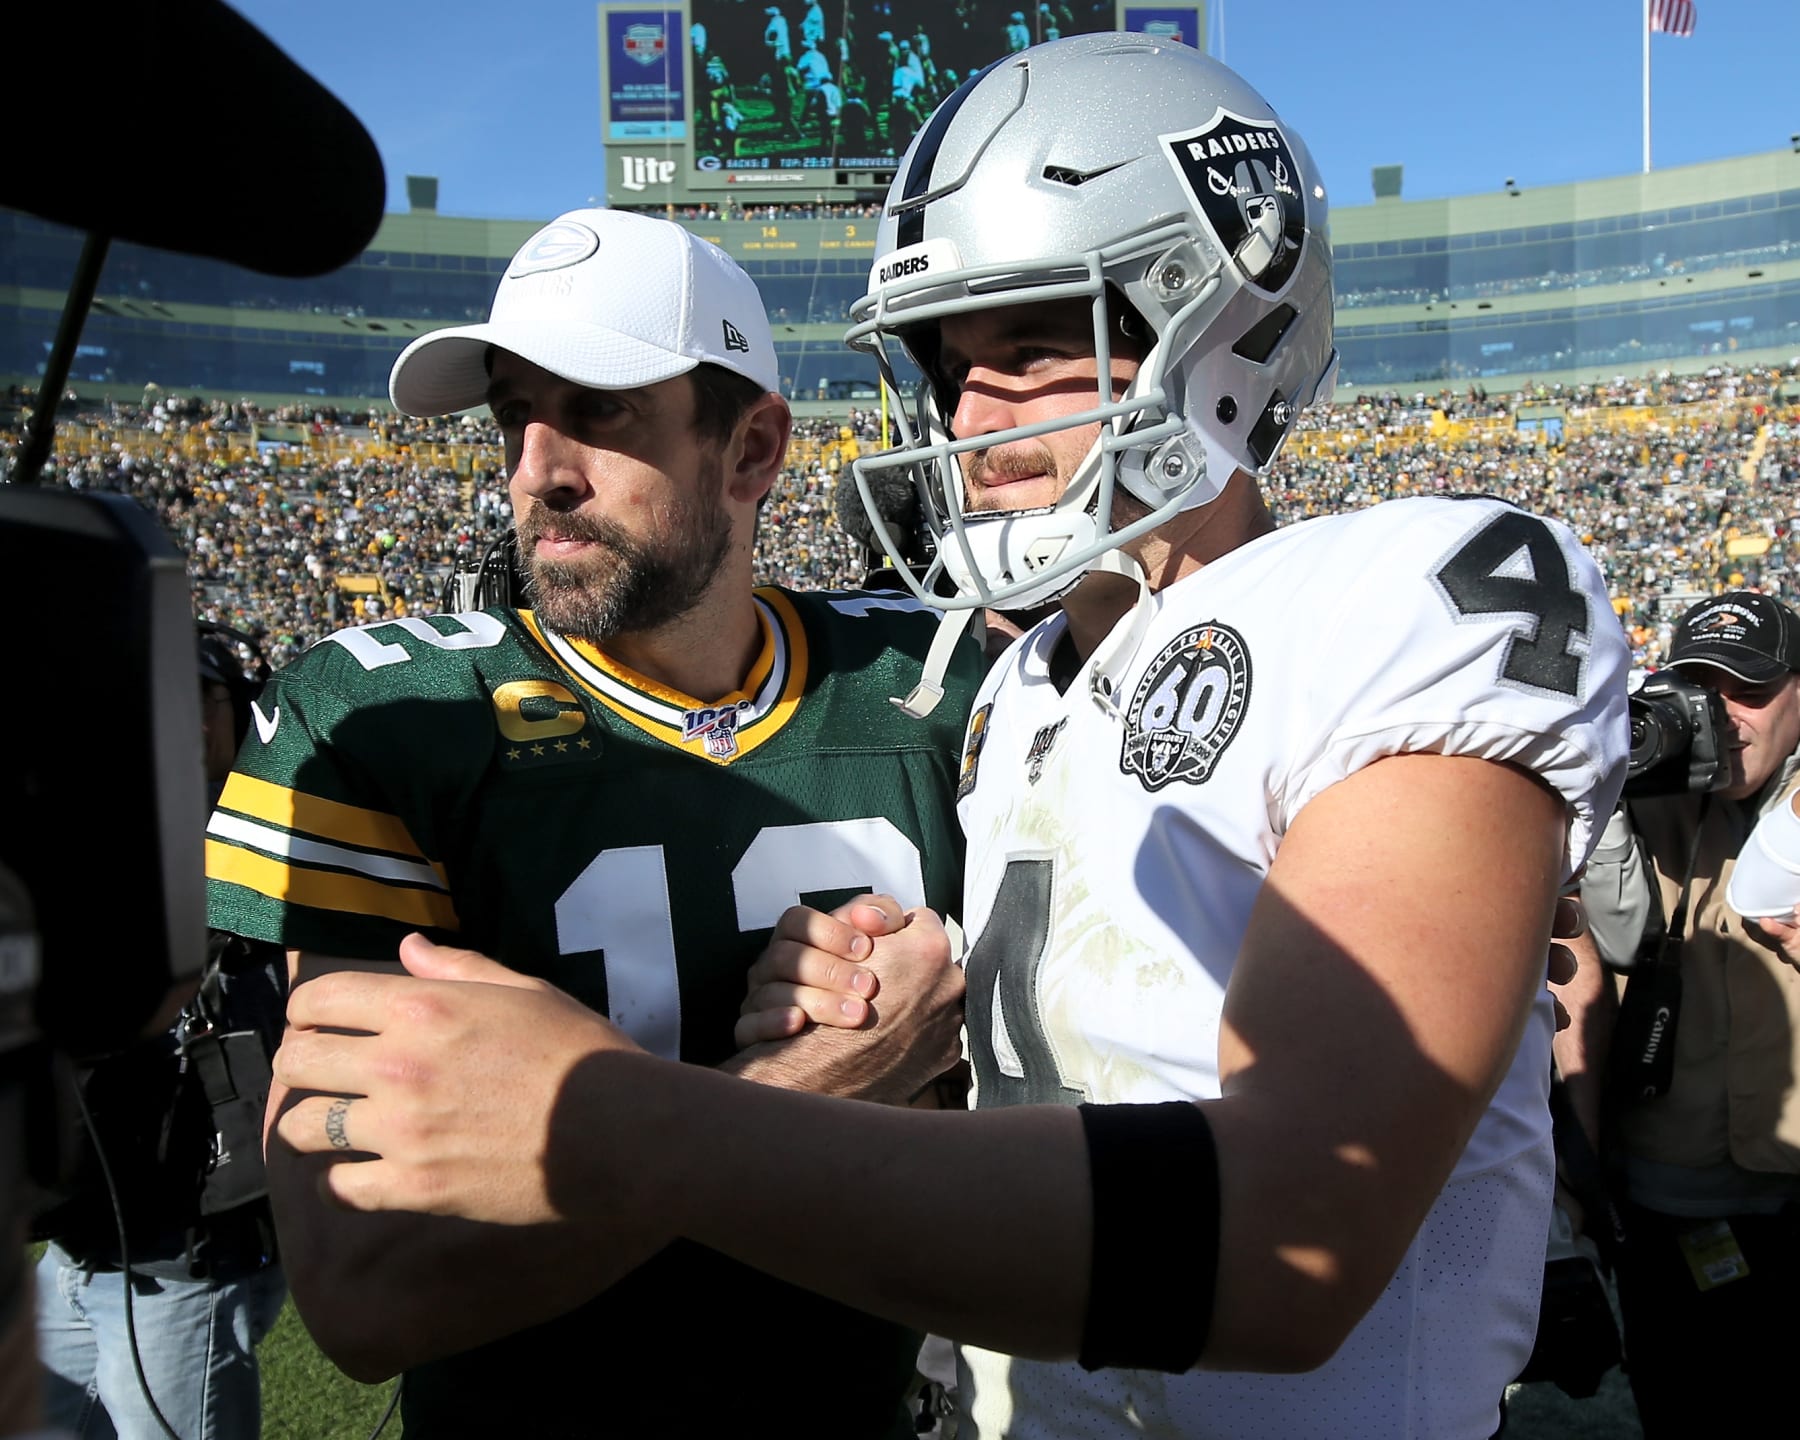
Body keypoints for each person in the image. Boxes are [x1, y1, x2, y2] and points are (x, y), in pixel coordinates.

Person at [268, 36, 1631, 1439]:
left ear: (1219, 318)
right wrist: (880, 1011)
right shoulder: (1012, 689)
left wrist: (615, 1122)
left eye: (1035, 346)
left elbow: (1294, 1237)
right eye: (946, 363)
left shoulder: (1417, 595)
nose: (971, 421)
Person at [206, 207, 980, 1437]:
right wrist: (801, 1091)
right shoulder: (391, 720)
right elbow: (368, 1292)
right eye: (516, 412)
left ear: (752, 447)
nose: (537, 467)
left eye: (602, 409)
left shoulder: (935, 686)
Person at [34, 627, 287, 1440]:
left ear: (237, 714)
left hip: (183, 1256)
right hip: (76, 1247)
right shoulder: (91, 837)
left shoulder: (268, 843)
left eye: (194, 695)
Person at [1573, 589, 1800, 1439]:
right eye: (1703, 687)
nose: (1726, 716)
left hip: (1787, 1179)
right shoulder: (1645, 781)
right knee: (1686, 1405)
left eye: (1751, 689)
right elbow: (1617, 938)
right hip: (1668, 1190)